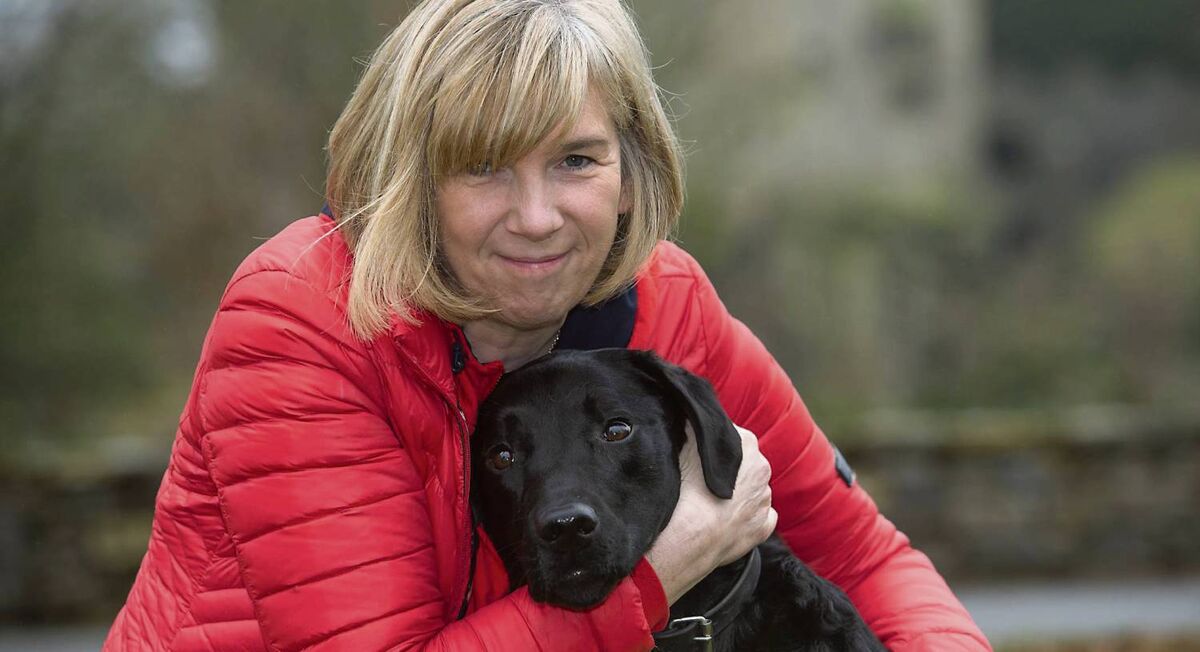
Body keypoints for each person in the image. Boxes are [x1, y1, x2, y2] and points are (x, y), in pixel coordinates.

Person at [104, 0, 990, 650]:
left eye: (575, 160)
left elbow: (866, 562)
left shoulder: (668, 304)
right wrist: (659, 575)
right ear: (411, 177)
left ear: (631, 170)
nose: (537, 217)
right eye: (484, 166)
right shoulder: (303, 322)